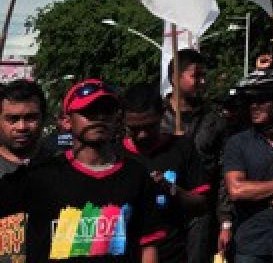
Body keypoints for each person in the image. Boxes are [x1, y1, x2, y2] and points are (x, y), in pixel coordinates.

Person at [0, 79, 165, 262]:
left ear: (117, 119)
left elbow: (148, 247)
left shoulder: (135, 175)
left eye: (106, 111)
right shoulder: (39, 175)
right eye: (89, 112)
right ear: (66, 121)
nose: (99, 118)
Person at [222, 71, 273, 263]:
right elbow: (236, 190)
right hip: (250, 246)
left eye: (262, 100)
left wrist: (255, 194)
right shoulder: (238, 143)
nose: (254, 106)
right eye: (251, 101)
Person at [122, 84, 209, 263]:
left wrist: (171, 190)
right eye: (134, 128)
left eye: (149, 126)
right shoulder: (114, 155)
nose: (142, 135)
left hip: (172, 254)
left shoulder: (182, 148)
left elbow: (201, 204)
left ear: (163, 114)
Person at [161, 49, 226, 263]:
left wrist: (225, 220)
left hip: (201, 213)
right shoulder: (156, 118)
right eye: (195, 76)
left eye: (203, 76)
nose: (201, 81)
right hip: (162, 210)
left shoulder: (213, 120)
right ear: (174, 77)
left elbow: (223, 172)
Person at [0, 79, 46, 263]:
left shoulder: (62, 167)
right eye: (12, 119)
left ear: (43, 118)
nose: (22, 127)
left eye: (30, 118)